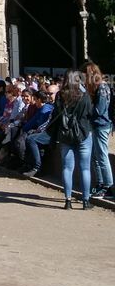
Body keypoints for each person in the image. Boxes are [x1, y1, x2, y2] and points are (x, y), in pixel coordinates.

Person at [48, 69, 93, 209]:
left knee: (67, 168)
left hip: (66, 135)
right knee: (85, 168)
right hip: (83, 133)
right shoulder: (85, 95)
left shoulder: (61, 96)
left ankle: (67, 200)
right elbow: (89, 113)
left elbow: (56, 114)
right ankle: (86, 201)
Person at [84, 61, 113, 198]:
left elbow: (99, 110)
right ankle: (101, 183)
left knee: (102, 156)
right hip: (98, 124)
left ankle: (108, 186)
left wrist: (86, 111)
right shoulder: (101, 87)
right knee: (96, 157)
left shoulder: (101, 88)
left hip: (101, 124)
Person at [21, 89, 56, 176]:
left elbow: (44, 125)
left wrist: (28, 129)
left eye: (35, 99)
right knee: (30, 136)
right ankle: (31, 165)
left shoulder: (44, 110)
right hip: (43, 132)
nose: (35, 102)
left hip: (49, 133)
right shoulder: (41, 109)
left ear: (39, 100)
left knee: (30, 139)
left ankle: (36, 167)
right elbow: (32, 122)